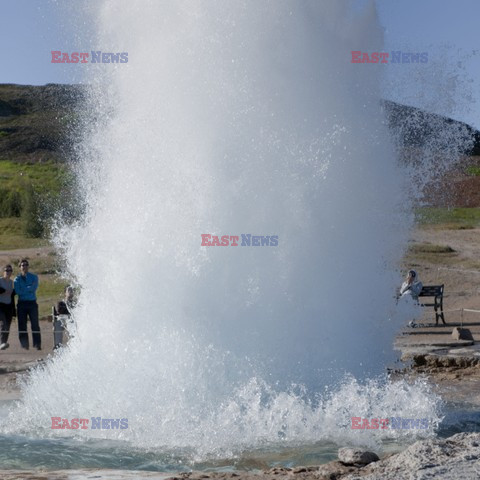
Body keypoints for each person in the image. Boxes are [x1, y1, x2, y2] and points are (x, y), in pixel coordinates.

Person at [14, 259, 41, 350]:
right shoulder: (17, 279)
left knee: (35, 324)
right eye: (22, 265)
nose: (24, 266)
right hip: (22, 304)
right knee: (22, 325)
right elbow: (18, 292)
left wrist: (25, 288)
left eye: (26, 265)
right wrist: (28, 288)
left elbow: (34, 288)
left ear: (28, 266)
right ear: (20, 267)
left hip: (32, 303)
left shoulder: (34, 277)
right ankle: (24, 345)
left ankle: (37, 344)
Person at [0, 265, 16, 350]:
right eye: (6, 270)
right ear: (3, 272)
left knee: (8, 325)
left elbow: (12, 294)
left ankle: (4, 342)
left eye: (10, 271)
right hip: (0, 306)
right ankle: (1, 342)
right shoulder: (0, 280)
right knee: (4, 322)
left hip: (9, 306)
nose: (8, 272)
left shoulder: (11, 282)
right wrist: (5, 291)